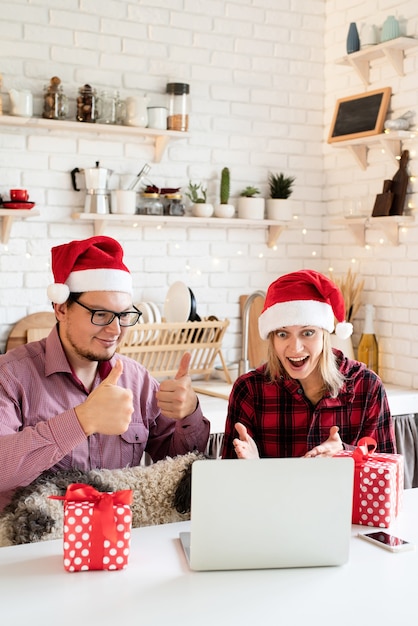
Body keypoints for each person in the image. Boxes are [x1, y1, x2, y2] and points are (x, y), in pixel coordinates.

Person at [0, 235, 210, 511]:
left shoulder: (139, 381)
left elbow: (181, 469)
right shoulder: (10, 376)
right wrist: (81, 421)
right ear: (61, 308)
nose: (115, 330)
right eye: (100, 314)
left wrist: (189, 413)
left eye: (124, 316)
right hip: (32, 545)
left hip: (116, 539)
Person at [222, 269, 396, 460]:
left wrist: (346, 454)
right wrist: (252, 467)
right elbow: (228, 485)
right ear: (271, 339)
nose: (295, 348)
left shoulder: (367, 386)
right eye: (282, 334)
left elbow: (385, 475)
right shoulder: (249, 391)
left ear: (324, 334)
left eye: (307, 333)